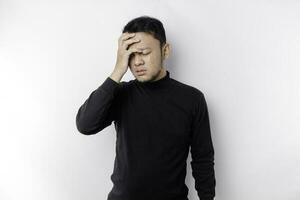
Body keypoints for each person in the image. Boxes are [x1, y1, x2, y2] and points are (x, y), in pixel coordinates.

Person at [76, 15, 216, 200]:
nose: (136, 62)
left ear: (165, 51)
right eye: (130, 55)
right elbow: (85, 125)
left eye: (143, 52)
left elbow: (202, 159)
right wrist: (118, 70)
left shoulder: (192, 99)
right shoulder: (120, 94)